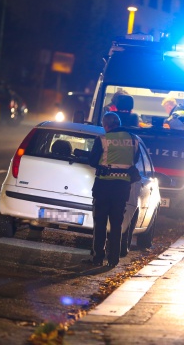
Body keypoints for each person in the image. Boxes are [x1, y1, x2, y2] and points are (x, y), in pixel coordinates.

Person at [82, 112, 139, 268]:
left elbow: (93, 161)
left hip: (104, 186)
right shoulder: (133, 139)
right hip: (122, 187)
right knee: (116, 224)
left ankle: (98, 257)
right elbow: (135, 160)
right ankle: (113, 259)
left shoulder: (103, 139)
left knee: (100, 223)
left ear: (105, 125)